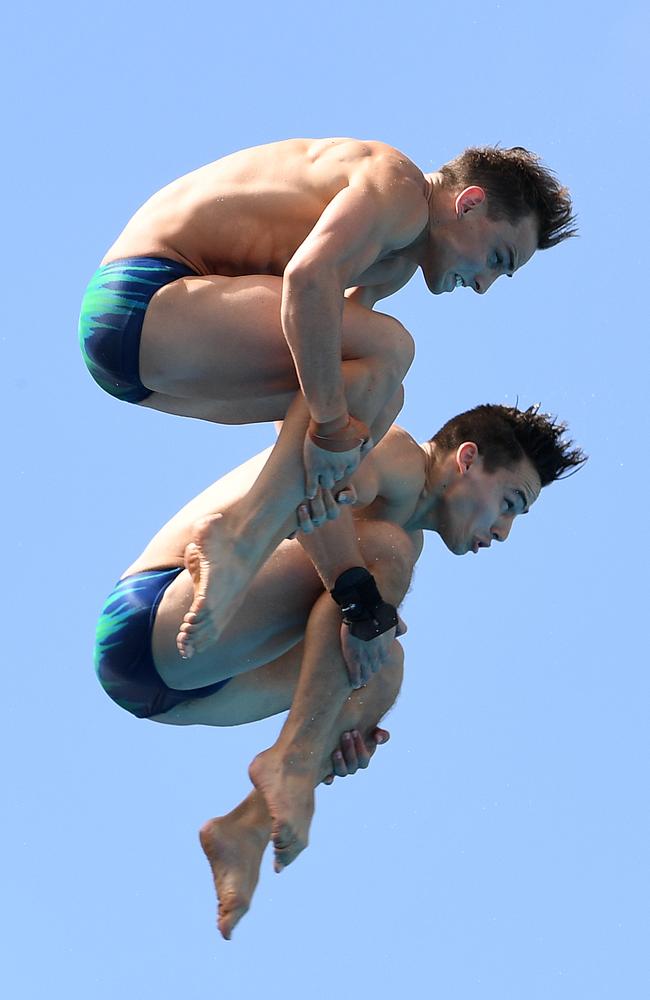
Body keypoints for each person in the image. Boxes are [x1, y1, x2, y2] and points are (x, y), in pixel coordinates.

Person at [93, 401, 585, 938]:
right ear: (467, 459)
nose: (506, 531)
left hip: (181, 688)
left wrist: (339, 723)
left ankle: (249, 826)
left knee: (382, 668)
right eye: (510, 503)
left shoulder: (409, 539)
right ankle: (291, 763)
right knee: (381, 565)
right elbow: (309, 504)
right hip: (156, 614)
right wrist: (314, 736)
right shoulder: (394, 453)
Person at [79, 138, 577, 653]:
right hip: (143, 298)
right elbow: (309, 280)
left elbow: (322, 376)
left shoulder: (395, 263)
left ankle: (251, 541)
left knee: (381, 392)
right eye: (496, 257)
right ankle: (240, 539)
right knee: (390, 350)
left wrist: (329, 491)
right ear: (468, 202)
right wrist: (331, 430)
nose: (484, 286)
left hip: (145, 364)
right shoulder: (399, 190)